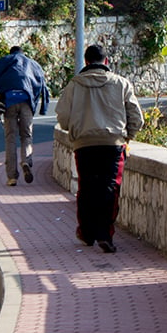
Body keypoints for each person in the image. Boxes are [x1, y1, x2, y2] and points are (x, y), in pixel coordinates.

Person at [55, 44, 143, 253]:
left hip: (84, 144)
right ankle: (105, 233)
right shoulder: (121, 83)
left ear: (86, 62)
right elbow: (136, 118)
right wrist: (127, 136)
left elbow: (63, 118)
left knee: (86, 188)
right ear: (106, 61)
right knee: (110, 188)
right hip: (113, 144)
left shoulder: (73, 85)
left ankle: (86, 233)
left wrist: (75, 128)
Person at [0, 46, 50, 186]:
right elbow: (42, 84)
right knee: (26, 136)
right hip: (26, 100)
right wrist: (42, 107)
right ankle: (26, 161)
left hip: (9, 102)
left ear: (11, 52)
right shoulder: (32, 63)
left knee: (10, 139)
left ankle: (12, 177)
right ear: (23, 53)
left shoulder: (6, 60)